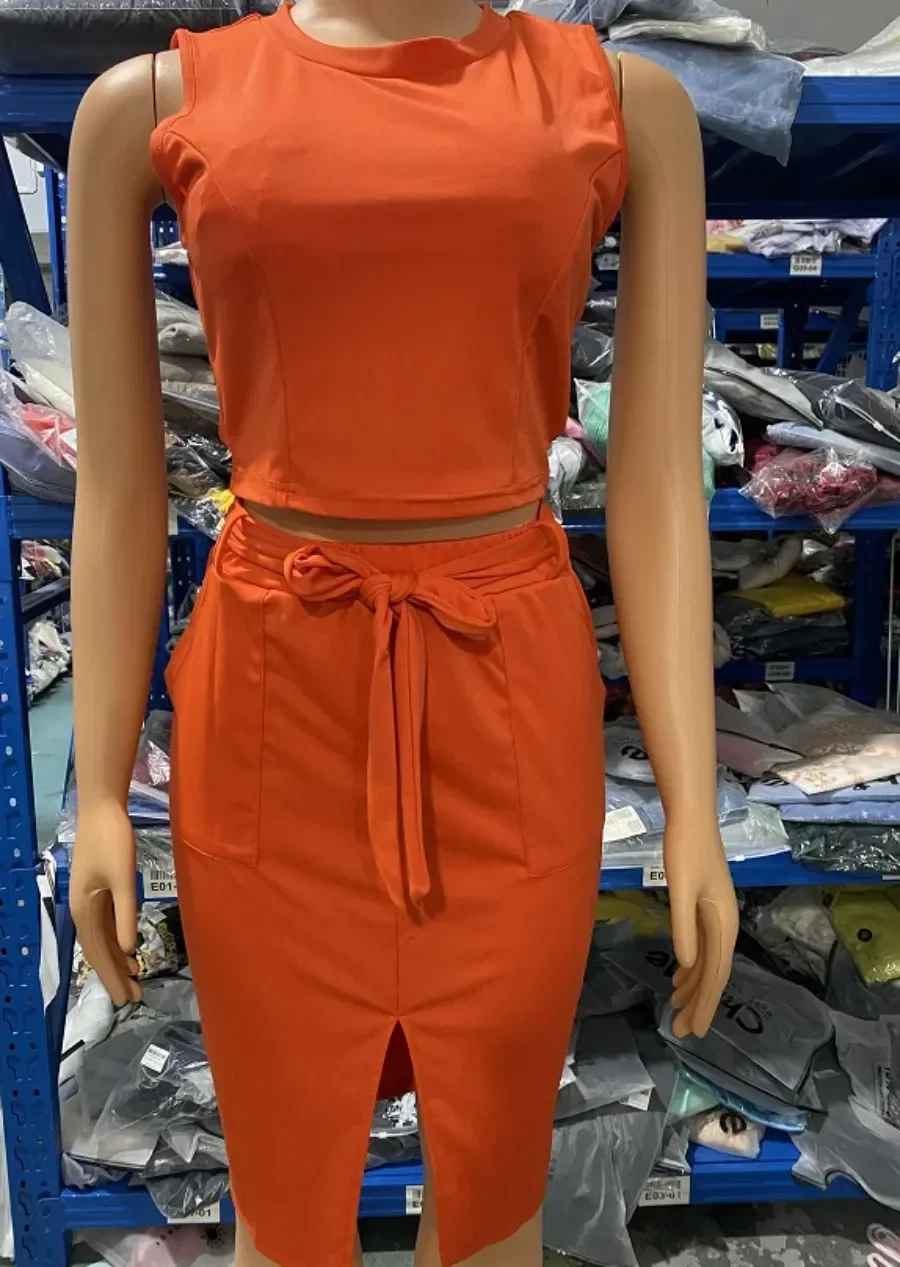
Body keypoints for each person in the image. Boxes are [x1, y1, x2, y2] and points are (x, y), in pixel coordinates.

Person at [67, 2, 739, 1264]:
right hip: (273, 701)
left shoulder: (622, 103)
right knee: (282, 1206)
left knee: (493, 1206)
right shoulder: (150, 105)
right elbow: (115, 485)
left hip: (506, 693)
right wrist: (95, 788)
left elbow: (659, 484)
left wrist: (692, 806)